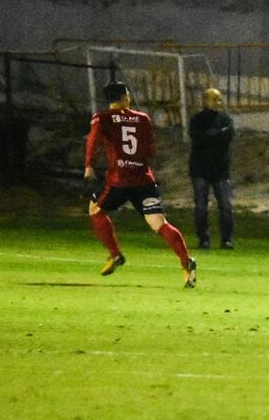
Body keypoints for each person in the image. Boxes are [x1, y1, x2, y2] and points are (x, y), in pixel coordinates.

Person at [84, 80, 198, 288]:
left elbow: (92, 141)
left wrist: (89, 165)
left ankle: (115, 254)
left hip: (120, 180)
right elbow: (151, 150)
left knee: (95, 209)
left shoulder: (102, 118)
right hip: (144, 179)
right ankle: (186, 261)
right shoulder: (143, 118)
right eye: (127, 94)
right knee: (159, 223)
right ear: (124, 97)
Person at [188, 87, 236, 250]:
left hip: (220, 169)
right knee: (201, 207)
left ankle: (226, 239)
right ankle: (204, 238)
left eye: (218, 99)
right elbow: (198, 139)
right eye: (214, 98)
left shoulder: (225, 119)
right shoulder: (197, 119)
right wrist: (217, 135)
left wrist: (212, 135)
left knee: (226, 206)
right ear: (205, 100)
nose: (217, 102)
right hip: (200, 168)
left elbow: (228, 136)